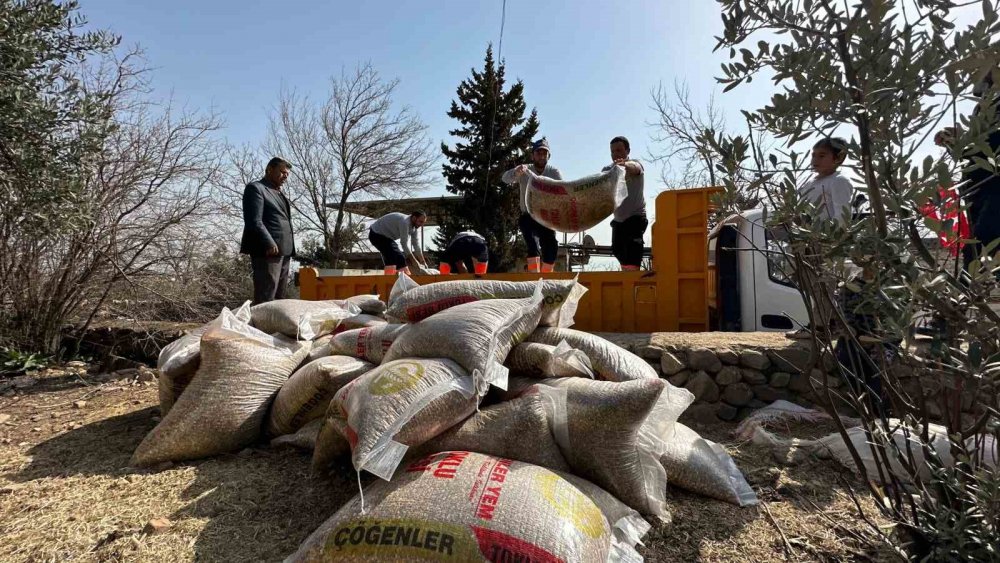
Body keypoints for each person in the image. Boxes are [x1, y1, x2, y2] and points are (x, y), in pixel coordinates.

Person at [935, 67, 1000, 275]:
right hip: (977, 189)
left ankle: (962, 298)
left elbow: (990, 142)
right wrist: (956, 138)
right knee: (976, 246)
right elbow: (980, 141)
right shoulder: (984, 105)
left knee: (983, 241)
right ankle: (962, 299)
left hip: (994, 188)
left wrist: (962, 140)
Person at [240, 157, 295, 304]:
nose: (285, 176)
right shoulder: (256, 188)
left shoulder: (278, 193)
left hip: (285, 250)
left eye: (287, 174)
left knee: (279, 298)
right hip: (267, 251)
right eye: (282, 172)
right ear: (269, 169)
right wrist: (268, 242)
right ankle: (260, 327)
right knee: (266, 295)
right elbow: (254, 221)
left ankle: (274, 327)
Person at [502, 138, 562, 273]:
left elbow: (564, 191)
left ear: (549, 156)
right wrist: (515, 172)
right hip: (528, 215)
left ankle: (546, 276)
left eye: (544, 154)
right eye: (538, 153)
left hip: (547, 217)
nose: (541, 156)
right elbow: (505, 179)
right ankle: (534, 276)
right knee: (532, 244)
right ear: (532, 155)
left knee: (551, 247)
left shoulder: (554, 173)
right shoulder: (525, 170)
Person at [603, 136, 647, 271]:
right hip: (618, 220)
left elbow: (636, 168)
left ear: (627, 151)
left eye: (619, 150)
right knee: (617, 249)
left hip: (635, 217)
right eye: (612, 152)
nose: (615, 154)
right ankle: (626, 276)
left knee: (633, 247)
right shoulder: (608, 169)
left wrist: (624, 165)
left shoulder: (635, 164)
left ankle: (632, 277)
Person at [798, 137, 853, 225]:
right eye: (813, 155)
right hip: (811, 236)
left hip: (830, 236)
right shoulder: (808, 184)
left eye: (821, 156)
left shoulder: (838, 181)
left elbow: (842, 216)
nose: (815, 160)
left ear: (838, 158)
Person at [368, 210, 428, 274]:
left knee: (391, 260)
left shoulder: (414, 227)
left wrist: (422, 261)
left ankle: (389, 280)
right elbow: (404, 244)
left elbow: (416, 244)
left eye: (423, 223)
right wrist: (414, 261)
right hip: (376, 235)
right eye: (420, 222)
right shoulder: (405, 222)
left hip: (386, 238)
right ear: (414, 218)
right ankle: (406, 280)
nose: (421, 225)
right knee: (400, 258)